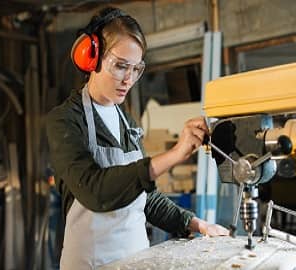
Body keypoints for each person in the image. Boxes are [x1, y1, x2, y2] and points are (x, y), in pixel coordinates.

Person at [46, 6, 229, 270]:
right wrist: (175, 155)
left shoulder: (127, 122)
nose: (128, 80)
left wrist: (196, 224)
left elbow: (146, 197)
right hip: (91, 263)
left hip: (136, 261)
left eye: (136, 69)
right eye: (120, 66)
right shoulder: (65, 119)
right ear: (92, 58)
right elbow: (95, 190)